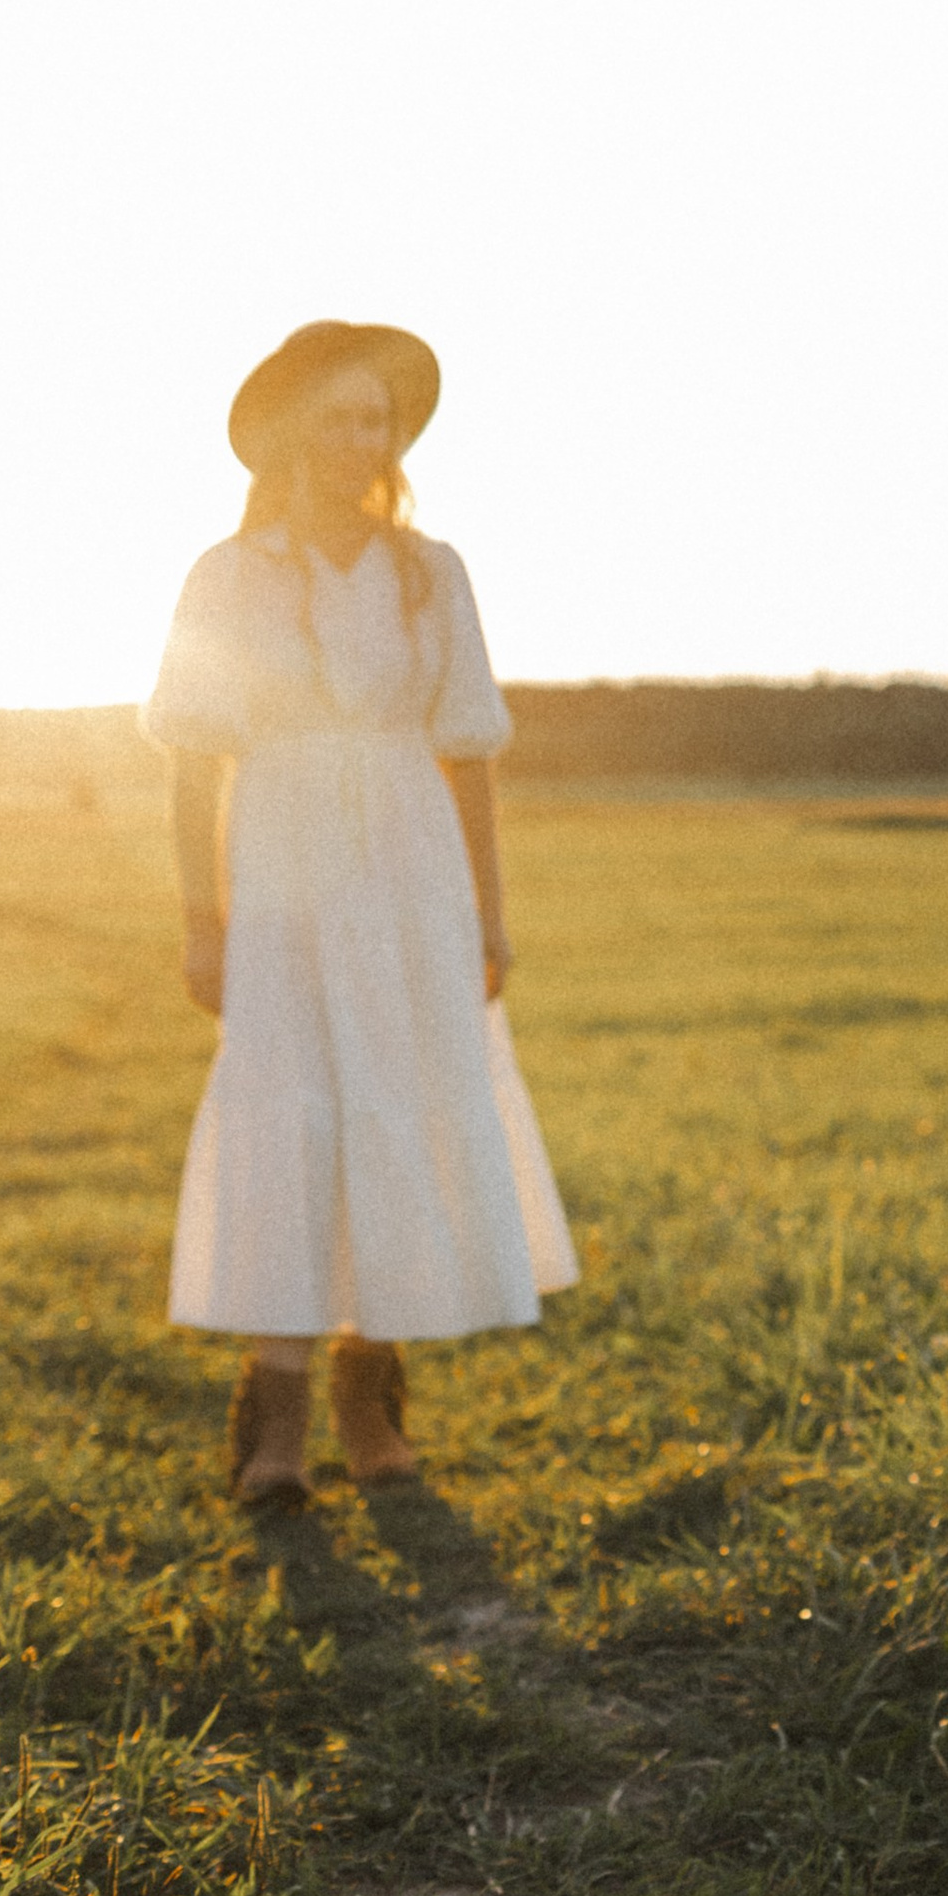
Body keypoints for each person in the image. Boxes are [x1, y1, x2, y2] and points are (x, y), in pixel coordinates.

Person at [145, 320, 576, 1505]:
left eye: (374, 418)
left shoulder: (430, 571)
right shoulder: (226, 576)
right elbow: (192, 759)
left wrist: (489, 914)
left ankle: (368, 1393)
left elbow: (471, 755)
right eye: (334, 416)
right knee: (291, 1107)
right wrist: (201, 916)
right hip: (280, 861)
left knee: (395, 1101)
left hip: (408, 864)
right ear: (289, 435)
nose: (357, 438)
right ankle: (271, 1416)